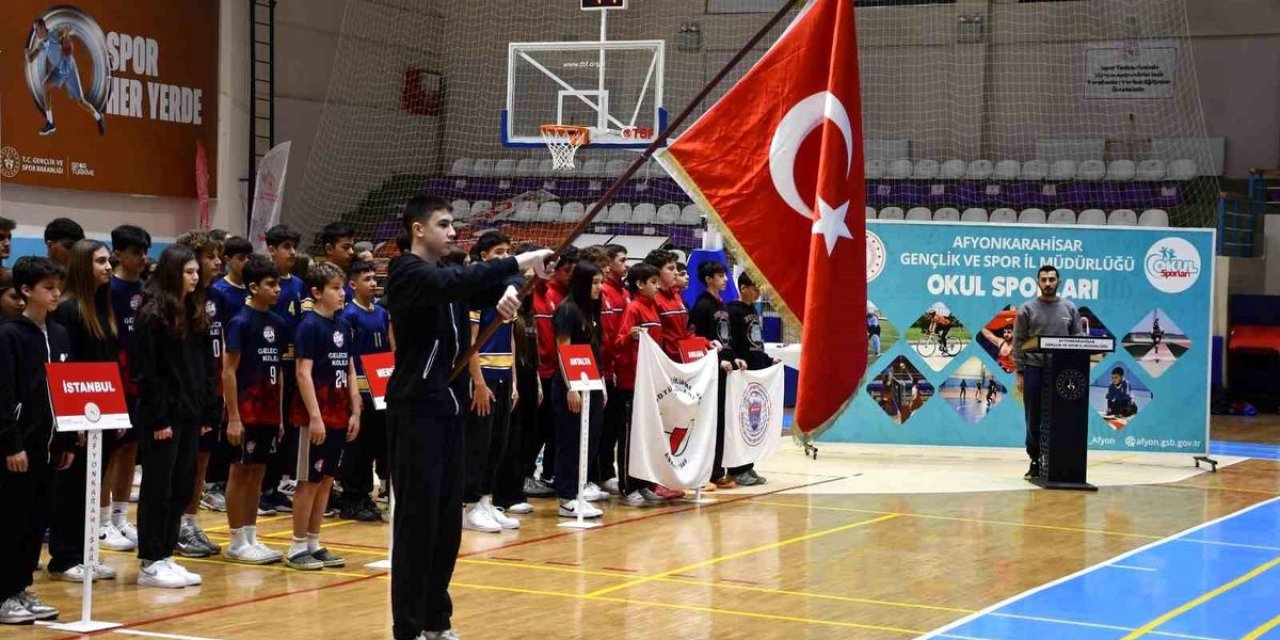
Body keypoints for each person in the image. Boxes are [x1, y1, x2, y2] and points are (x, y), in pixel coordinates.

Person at [383, 195, 550, 640]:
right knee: (418, 525)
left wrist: (521, 283)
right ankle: (409, 627)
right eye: (443, 224)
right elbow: (462, 280)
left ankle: (438, 619)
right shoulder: (406, 272)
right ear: (418, 229)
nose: (453, 231)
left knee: (445, 525)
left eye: (453, 223)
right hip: (417, 410)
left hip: (448, 410)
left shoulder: (444, 277)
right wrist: (518, 258)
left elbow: (481, 288)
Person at [132, 245, 219, 588]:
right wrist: (158, 420)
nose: (195, 277)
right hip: (163, 417)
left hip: (190, 412)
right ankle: (150, 559)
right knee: (158, 486)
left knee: (181, 484)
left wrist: (208, 408)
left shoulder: (195, 312)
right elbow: (148, 374)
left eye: (197, 271)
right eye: (188, 272)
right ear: (172, 273)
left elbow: (205, 367)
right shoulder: (153, 315)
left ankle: (166, 553)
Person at [0, 257, 74, 624]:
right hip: (18, 450)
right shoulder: (9, 335)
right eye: (48, 288)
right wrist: (12, 444)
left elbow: (64, 393)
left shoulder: (60, 335)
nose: (56, 293)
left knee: (35, 521)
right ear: (26, 291)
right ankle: (3, 593)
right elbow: (3, 395)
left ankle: (20, 587)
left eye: (58, 287)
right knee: (11, 521)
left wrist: (65, 444)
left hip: (48, 449)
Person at [47, 240, 125, 582]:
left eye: (109, 261)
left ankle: (86, 553)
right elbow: (68, 368)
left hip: (102, 412)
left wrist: (116, 412)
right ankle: (64, 557)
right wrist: (73, 420)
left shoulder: (102, 308)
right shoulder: (68, 309)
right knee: (73, 486)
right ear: (82, 265)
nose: (108, 267)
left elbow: (109, 367)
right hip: (78, 414)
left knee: (93, 486)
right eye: (100, 261)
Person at [285, 262, 360, 571]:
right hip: (315, 416)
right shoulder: (309, 326)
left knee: (327, 479)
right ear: (316, 292)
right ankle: (297, 545)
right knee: (309, 480)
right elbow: (303, 373)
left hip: (340, 413)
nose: (341, 294)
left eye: (342, 287)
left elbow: (350, 367)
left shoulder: (343, 325)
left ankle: (314, 542)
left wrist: (355, 407)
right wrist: (315, 417)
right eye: (334, 288)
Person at [222, 255, 287, 565]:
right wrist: (233, 416)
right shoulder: (240, 322)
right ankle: (236, 540)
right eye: (270, 285)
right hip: (246, 411)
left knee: (258, 474)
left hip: (269, 413)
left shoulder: (277, 322)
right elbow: (228, 372)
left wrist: (280, 416)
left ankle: (251, 535)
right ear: (253, 287)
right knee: (240, 472)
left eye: (278, 284)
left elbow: (280, 370)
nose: (277, 290)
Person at [461, 233, 523, 532]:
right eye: (498, 252)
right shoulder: (478, 292)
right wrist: (479, 382)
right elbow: (470, 342)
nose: (504, 257)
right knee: (478, 444)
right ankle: (469, 504)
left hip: (502, 375)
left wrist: (512, 381)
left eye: (508, 251)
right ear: (483, 256)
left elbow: (509, 337)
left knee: (498, 443)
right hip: (482, 377)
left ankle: (486, 500)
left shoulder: (508, 292)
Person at [173, 231, 224, 558]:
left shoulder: (214, 298)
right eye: (210, 257)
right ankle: (175, 523)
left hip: (209, 390)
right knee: (180, 464)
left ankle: (190, 520)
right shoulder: (179, 303)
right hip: (182, 398)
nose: (217, 262)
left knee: (200, 461)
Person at [1013, 264, 1084, 480]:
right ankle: (1035, 460)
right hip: (1034, 368)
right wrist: (1020, 371)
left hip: (1062, 372)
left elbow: (1079, 340)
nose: (1048, 283)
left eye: (1051, 279)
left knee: (1062, 417)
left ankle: (1059, 461)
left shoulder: (1070, 309)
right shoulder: (1027, 309)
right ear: (1038, 282)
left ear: (1058, 282)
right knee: (1033, 417)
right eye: (1043, 280)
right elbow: (1018, 341)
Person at [336, 260, 393, 522]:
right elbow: (346, 356)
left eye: (374, 278)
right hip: (358, 386)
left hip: (380, 384)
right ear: (352, 285)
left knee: (373, 444)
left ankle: (365, 496)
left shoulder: (381, 313)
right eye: (367, 279)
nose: (373, 283)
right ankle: (351, 497)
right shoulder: (349, 315)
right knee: (357, 447)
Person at [551, 260, 607, 519]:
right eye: (595, 282)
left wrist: (601, 383)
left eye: (601, 281)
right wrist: (571, 387)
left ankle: (579, 492)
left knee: (590, 439)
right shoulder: (567, 309)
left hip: (592, 383)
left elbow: (594, 352)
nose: (600, 287)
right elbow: (564, 350)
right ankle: (566, 497)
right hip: (571, 385)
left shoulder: (591, 311)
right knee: (571, 440)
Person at [106, 225, 150, 551]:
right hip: (113, 380)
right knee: (111, 452)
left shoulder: (147, 291)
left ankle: (121, 517)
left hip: (139, 380)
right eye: (136, 252)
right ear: (118, 254)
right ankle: (102, 521)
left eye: (145, 252)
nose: (142, 258)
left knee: (131, 452)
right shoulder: (107, 289)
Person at [204, 235, 254, 511]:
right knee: (219, 427)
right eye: (240, 258)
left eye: (248, 258)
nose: (245, 263)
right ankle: (212, 485)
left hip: (244, 369)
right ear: (228, 261)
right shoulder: (219, 292)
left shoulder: (250, 290)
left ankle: (222, 481)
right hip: (219, 365)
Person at [493, 245, 543, 517]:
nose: (527, 286)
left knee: (524, 437)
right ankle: (501, 495)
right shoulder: (508, 314)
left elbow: (529, 353)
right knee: (507, 439)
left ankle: (516, 489)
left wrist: (535, 380)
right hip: (506, 377)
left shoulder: (529, 315)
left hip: (527, 378)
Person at [522, 248, 576, 498]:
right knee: (530, 429)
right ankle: (523, 475)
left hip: (553, 371)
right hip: (534, 370)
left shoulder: (558, 297)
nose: (553, 271)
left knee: (548, 429)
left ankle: (542, 474)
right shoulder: (531, 296)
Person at [689, 260, 745, 490]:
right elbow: (698, 340)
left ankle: (718, 470)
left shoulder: (721, 305)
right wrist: (716, 360)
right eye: (720, 275)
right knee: (711, 421)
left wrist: (732, 358)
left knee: (722, 421)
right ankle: (707, 472)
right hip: (710, 372)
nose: (724, 279)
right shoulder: (702, 306)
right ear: (708, 279)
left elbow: (725, 339)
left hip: (725, 368)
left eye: (725, 275)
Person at [614, 262, 666, 508]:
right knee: (629, 436)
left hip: (650, 382)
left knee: (647, 435)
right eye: (653, 282)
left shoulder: (653, 308)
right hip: (631, 382)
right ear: (639, 285)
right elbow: (619, 340)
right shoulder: (633, 309)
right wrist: (631, 336)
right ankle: (628, 486)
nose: (657, 287)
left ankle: (645, 483)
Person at [261, 225, 304, 515]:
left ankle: (275, 486)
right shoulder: (263, 283)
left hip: (294, 366)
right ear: (272, 250)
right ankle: (261, 488)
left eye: (293, 246)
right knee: (268, 429)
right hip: (267, 365)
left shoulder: (298, 285)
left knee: (287, 430)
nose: (292, 252)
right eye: (286, 246)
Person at [723, 271, 775, 486]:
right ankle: (737, 469)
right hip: (740, 373)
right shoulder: (732, 310)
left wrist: (768, 360)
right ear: (744, 288)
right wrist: (735, 359)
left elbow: (755, 340)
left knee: (753, 422)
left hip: (755, 370)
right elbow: (730, 341)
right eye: (755, 287)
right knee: (740, 419)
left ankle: (748, 465)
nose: (758, 292)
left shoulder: (752, 309)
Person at [25, 18, 105, 136]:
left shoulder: (54, 33)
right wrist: (27, 52)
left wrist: (66, 34)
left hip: (69, 68)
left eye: (37, 29)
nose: (36, 32)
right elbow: (31, 59)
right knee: (45, 86)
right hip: (58, 70)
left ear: (42, 28)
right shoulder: (42, 45)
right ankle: (50, 122)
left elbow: (69, 28)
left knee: (81, 102)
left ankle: (98, 117)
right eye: (35, 30)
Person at [595, 244, 630, 495]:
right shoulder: (603, 291)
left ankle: (607, 471)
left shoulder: (624, 292)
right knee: (605, 427)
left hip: (619, 366)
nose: (625, 264)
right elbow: (607, 333)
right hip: (606, 367)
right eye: (621, 259)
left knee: (615, 425)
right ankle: (602, 472)